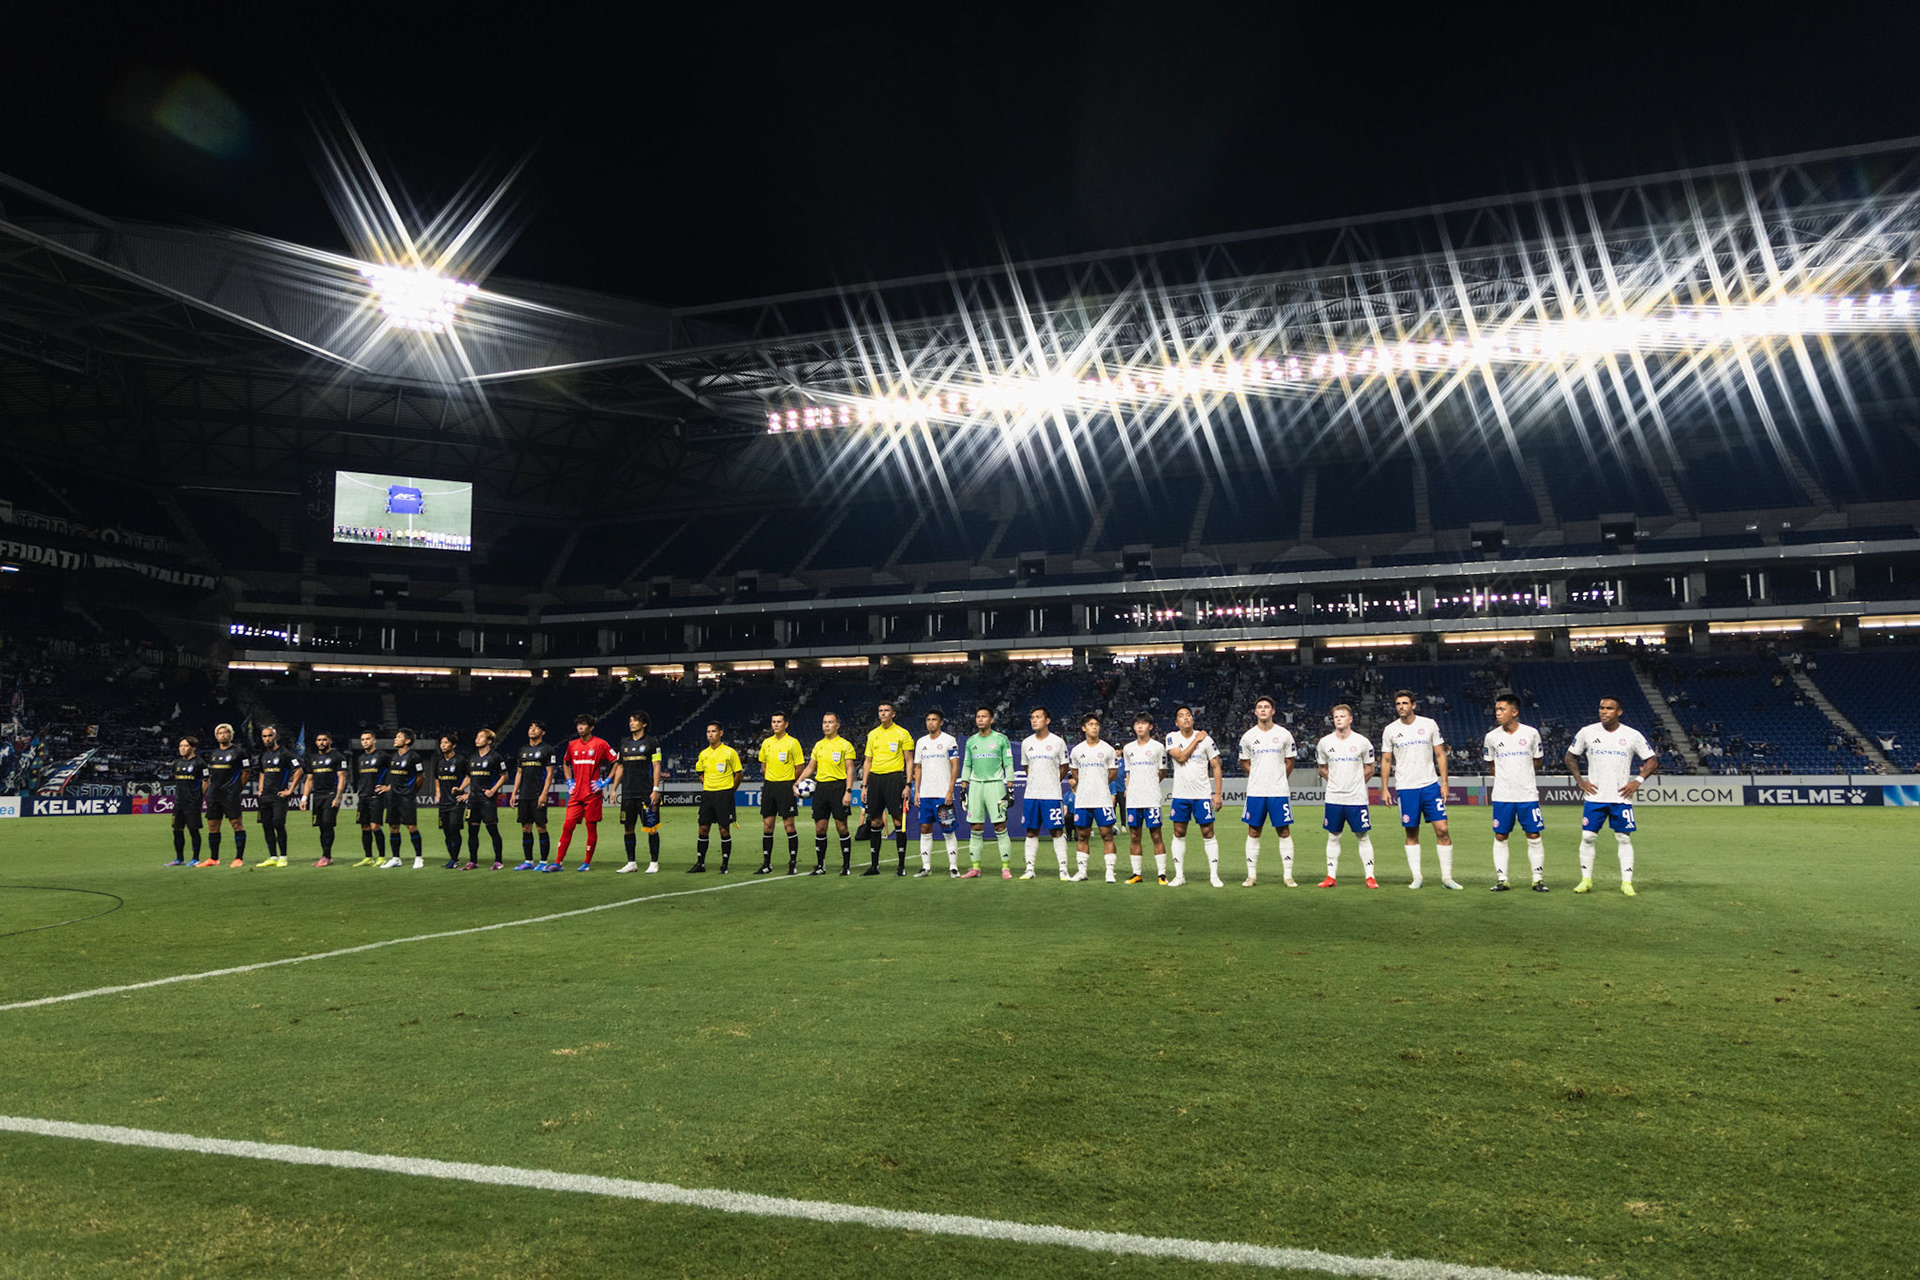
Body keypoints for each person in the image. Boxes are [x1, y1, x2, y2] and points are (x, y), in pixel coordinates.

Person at [1564, 696, 1658, 896]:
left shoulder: (1632, 735)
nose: (1604, 711)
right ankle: (1586, 880)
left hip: (1621, 798)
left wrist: (1637, 781)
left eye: (1609, 708)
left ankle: (1627, 883)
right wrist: (1580, 781)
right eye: (1601, 708)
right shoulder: (1587, 732)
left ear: (1619, 712)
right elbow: (1570, 756)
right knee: (1587, 837)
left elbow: (1651, 760)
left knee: (1623, 838)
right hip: (1595, 797)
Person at [1379, 690, 1459, 890]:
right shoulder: (1390, 730)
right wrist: (1384, 788)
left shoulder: (1428, 724)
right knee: (1411, 832)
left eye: (1405, 703)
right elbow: (1387, 759)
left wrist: (1445, 782)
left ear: (1413, 705)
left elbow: (1440, 754)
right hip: (1406, 788)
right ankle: (1417, 877)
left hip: (1430, 785)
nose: (1401, 707)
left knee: (1442, 830)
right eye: (1398, 704)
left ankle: (1447, 878)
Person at [1483, 693, 1549, 892]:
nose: (1498, 713)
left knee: (1534, 834)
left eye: (1502, 709)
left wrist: (1522, 778)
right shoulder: (1492, 737)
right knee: (1500, 836)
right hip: (1502, 796)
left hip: (1527, 795)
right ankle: (1502, 879)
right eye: (1497, 709)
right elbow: (1491, 765)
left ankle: (1537, 878)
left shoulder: (1531, 733)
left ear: (1515, 712)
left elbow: (1538, 761)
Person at [1315, 704, 1377, 888]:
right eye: (1336, 717)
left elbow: (1370, 768)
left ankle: (1370, 877)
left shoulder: (1362, 742)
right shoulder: (1325, 743)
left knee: (1363, 836)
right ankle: (1331, 877)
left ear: (1350, 719)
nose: (1339, 719)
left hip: (1356, 798)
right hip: (1334, 797)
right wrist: (1336, 781)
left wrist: (1355, 783)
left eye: (1342, 716)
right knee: (1333, 837)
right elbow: (1322, 768)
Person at [1237, 696, 1297, 888]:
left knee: (1284, 831)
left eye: (1267, 707)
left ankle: (1288, 876)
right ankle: (1251, 876)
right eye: (1259, 707)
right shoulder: (1247, 737)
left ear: (1273, 711)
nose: (1263, 710)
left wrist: (1278, 777)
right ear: (1255, 712)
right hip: (1255, 792)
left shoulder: (1284, 734)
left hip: (1278, 791)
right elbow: (1244, 762)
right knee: (1253, 831)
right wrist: (1257, 775)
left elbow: (1290, 761)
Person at [1165, 705, 1223, 888]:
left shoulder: (1207, 740)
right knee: (1178, 833)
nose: (1186, 718)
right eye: (1181, 716)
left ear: (1193, 719)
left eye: (1188, 715)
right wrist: (1196, 740)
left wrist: (1218, 793)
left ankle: (1214, 875)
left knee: (1208, 833)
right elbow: (1180, 757)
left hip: (1202, 795)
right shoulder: (1172, 737)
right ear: (1176, 722)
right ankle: (1179, 875)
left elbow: (1216, 766)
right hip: (1180, 795)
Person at [553, 713, 617, 871]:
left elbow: (616, 761)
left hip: (592, 795)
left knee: (591, 828)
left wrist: (606, 781)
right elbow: (565, 763)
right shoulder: (572, 745)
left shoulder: (600, 744)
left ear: (591, 727)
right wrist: (569, 781)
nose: (580, 727)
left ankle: (586, 862)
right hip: (576, 795)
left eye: (583, 724)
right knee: (567, 826)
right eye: (578, 725)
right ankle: (558, 862)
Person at [958, 705, 1015, 878]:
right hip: (975, 786)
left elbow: (1008, 763)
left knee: (1000, 825)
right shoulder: (971, 741)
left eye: (984, 716)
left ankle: (1005, 867)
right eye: (978, 717)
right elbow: (967, 764)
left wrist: (1010, 788)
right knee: (975, 826)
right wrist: (963, 787)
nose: (980, 719)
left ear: (991, 720)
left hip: (995, 785)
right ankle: (975, 868)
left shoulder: (1001, 739)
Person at [797, 711, 856, 874]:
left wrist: (848, 791)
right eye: (824, 722)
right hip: (821, 788)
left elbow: (850, 769)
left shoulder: (845, 745)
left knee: (841, 828)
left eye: (830, 722)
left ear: (837, 725)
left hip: (838, 788)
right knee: (820, 829)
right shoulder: (818, 745)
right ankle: (820, 866)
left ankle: (846, 866)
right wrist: (797, 782)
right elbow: (810, 767)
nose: (827, 725)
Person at [860, 700, 914, 875]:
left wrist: (908, 784)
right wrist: (864, 786)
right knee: (875, 821)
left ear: (893, 714)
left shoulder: (902, 733)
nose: (882, 713)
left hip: (894, 778)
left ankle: (901, 866)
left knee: (898, 820)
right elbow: (867, 761)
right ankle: (874, 866)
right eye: (880, 710)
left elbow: (909, 760)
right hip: (875, 779)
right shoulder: (872, 734)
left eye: (886, 710)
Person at [1018, 707, 1071, 880]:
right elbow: (1027, 768)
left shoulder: (1058, 742)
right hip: (1032, 794)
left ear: (1047, 720)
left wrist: (1053, 781)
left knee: (1056, 831)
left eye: (1038, 717)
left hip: (1052, 795)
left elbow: (1064, 766)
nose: (1034, 720)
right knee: (1031, 832)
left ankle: (1063, 869)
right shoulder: (1026, 743)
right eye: (1032, 717)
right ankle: (1029, 869)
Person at [909, 708, 960, 877]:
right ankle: (926, 867)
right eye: (928, 719)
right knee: (924, 828)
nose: (930, 722)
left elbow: (955, 766)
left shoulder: (949, 740)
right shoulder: (921, 742)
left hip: (942, 794)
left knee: (947, 830)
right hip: (925, 794)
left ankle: (953, 867)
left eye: (934, 719)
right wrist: (917, 791)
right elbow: (918, 767)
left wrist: (950, 790)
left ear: (941, 722)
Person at [1067, 714, 1118, 882]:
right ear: (1084, 728)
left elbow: (1113, 773)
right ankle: (1082, 871)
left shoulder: (1108, 749)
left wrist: (1099, 782)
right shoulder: (1077, 751)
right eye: (1090, 724)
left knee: (1107, 834)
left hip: (1102, 799)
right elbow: (1075, 773)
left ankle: (1110, 871)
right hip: (1083, 800)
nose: (1094, 727)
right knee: (1082, 835)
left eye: (1096, 724)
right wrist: (1087, 783)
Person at [1120, 713, 1169, 884]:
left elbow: (1162, 771)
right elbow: (1128, 773)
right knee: (1135, 836)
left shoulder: (1158, 747)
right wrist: (1129, 789)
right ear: (1134, 727)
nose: (1140, 726)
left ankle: (1161, 875)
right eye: (1137, 723)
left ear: (1151, 726)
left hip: (1151, 798)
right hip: (1133, 799)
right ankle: (1137, 874)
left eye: (1144, 723)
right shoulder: (1128, 749)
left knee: (1156, 836)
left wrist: (1150, 784)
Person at [756, 712, 807, 875]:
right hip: (770, 786)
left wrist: (791, 783)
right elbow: (763, 765)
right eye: (773, 722)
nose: (776, 724)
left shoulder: (793, 743)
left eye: (779, 722)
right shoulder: (766, 743)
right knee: (767, 825)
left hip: (786, 787)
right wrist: (771, 778)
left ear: (786, 724)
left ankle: (792, 863)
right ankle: (766, 864)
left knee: (788, 825)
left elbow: (800, 766)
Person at [613, 712, 663, 873]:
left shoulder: (652, 742)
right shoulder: (624, 743)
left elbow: (656, 766)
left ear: (644, 724)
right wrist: (614, 789)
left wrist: (655, 789)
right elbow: (620, 766)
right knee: (628, 828)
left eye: (635, 721)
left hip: (645, 792)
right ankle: (631, 862)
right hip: (627, 792)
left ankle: (654, 862)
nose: (632, 723)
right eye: (630, 720)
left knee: (651, 827)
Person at [690, 722, 742, 872]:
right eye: (708, 732)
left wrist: (731, 790)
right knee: (703, 829)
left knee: (723, 829)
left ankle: (724, 865)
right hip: (708, 795)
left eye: (713, 731)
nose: (710, 734)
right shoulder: (703, 753)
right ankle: (700, 864)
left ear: (721, 733)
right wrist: (706, 783)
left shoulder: (729, 752)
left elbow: (738, 774)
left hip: (724, 794)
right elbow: (700, 771)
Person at [510, 722, 561, 870]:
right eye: (530, 727)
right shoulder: (522, 750)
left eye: (536, 728)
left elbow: (550, 773)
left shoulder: (547, 750)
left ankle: (543, 862)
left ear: (543, 732)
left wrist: (544, 793)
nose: (532, 730)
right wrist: (514, 793)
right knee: (525, 828)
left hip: (538, 793)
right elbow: (519, 773)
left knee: (540, 827)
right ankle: (528, 861)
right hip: (524, 794)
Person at [201, 722, 251, 867]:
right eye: (220, 733)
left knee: (237, 825)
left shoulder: (239, 752)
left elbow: (246, 772)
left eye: (225, 732)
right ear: (216, 737)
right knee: (212, 826)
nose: (223, 735)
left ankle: (238, 858)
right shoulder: (214, 753)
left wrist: (237, 789)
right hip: (215, 795)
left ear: (231, 735)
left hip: (230, 795)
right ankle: (214, 859)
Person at [377, 728, 429, 868]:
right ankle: (396, 858)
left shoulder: (414, 757)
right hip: (392, 797)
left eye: (398, 737)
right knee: (393, 827)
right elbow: (394, 777)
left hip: (406, 797)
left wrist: (412, 791)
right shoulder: (393, 757)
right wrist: (389, 787)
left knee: (411, 826)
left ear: (407, 741)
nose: (395, 739)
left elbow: (420, 777)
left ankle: (418, 857)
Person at [253, 724, 302, 868]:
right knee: (266, 826)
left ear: (276, 737)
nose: (267, 739)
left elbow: (298, 770)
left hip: (279, 796)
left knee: (278, 824)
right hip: (265, 797)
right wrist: (260, 788)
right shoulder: (263, 755)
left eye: (270, 736)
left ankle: (283, 856)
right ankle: (272, 856)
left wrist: (290, 790)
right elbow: (262, 772)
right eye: (264, 736)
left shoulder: (285, 754)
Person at [462, 728, 509, 868]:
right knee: (472, 831)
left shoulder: (496, 757)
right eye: (477, 736)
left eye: (481, 737)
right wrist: (460, 788)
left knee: (492, 830)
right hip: (473, 801)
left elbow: (504, 775)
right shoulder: (472, 758)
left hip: (487, 801)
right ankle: (473, 861)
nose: (477, 739)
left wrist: (493, 790)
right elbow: (469, 777)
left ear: (489, 741)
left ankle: (498, 861)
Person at [301, 733, 348, 866]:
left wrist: (338, 797)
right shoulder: (312, 758)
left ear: (330, 741)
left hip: (331, 795)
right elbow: (309, 780)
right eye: (319, 740)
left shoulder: (337, 757)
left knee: (327, 823)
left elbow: (342, 778)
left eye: (324, 740)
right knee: (321, 826)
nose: (321, 742)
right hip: (317, 796)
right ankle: (326, 856)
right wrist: (304, 798)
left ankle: (326, 856)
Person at [349, 729, 390, 866]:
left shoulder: (383, 756)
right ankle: (368, 857)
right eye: (363, 739)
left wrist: (388, 787)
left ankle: (382, 857)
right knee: (364, 827)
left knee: (375, 826)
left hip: (376, 796)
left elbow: (396, 772)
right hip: (363, 796)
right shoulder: (360, 758)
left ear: (374, 740)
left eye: (367, 739)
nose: (365, 742)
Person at [165, 736, 208, 866]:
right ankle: (179, 859)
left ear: (193, 747)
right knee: (177, 830)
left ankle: (195, 858)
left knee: (193, 830)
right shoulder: (177, 763)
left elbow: (206, 782)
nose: (182, 748)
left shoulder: (200, 763)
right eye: (180, 746)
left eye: (185, 746)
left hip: (192, 804)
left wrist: (198, 798)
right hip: (178, 803)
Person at [433, 732, 468, 868]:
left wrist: (462, 789)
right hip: (444, 803)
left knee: (454, 829)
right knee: (446, 831)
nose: (443, 745)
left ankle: (455, 859)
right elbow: (436, 778)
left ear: (453, 745)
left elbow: (469, 776)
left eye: (446, 743)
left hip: (456, 802)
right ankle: (452, 858)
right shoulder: (439, 762)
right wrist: (438, 792)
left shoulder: (460, 760)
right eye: (442, 743)